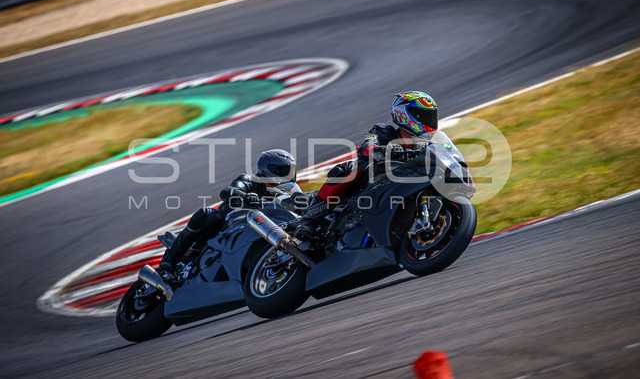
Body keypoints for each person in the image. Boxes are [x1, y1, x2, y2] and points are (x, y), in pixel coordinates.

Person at [294, 91, 439, 240]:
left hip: (397, 191)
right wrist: (386, 152)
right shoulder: (383, 131)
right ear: (405, 114)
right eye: (424, 116)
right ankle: (307, 222)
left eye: (431, 117)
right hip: (368, 184)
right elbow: (366, 147)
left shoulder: (427, 147)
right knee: (348, 170)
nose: (430, 121)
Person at [158, 149, 297, 274]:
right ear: (268, 171)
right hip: (229, 227)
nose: (286, 176)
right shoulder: (249, 180)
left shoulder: (286, 192)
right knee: (208, 215)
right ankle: (169, 260)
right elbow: (228, 191)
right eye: (283, 171)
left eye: (289, 171)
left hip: (263, 229)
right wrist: (244, 196)